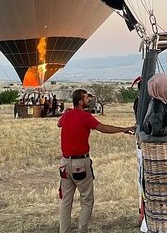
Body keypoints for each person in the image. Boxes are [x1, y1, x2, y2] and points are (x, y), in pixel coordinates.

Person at [57, 89, 134, 233]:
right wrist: (123, 129)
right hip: (80, 163)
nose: (89, 100)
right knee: (86, 199)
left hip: (64, 163)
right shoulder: (86, 117)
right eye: (86, 98)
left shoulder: (67, 115)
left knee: (66, 200)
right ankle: (82, 229)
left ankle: (64, 230)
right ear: (80, 102)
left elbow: (59, 124)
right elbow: (103, 128)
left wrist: (66, 112)